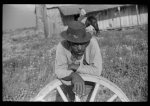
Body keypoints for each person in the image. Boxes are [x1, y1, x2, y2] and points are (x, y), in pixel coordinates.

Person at [55, 21, 102, 101]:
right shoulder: (62, 46)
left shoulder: (92, 43)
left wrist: (76, 67)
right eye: (75, 44)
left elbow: (97, 70)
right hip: (69, 85)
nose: (80, 48)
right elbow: (59, 71)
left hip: (88, 85)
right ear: (68, 42)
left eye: (83, 43)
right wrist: (74, 75)